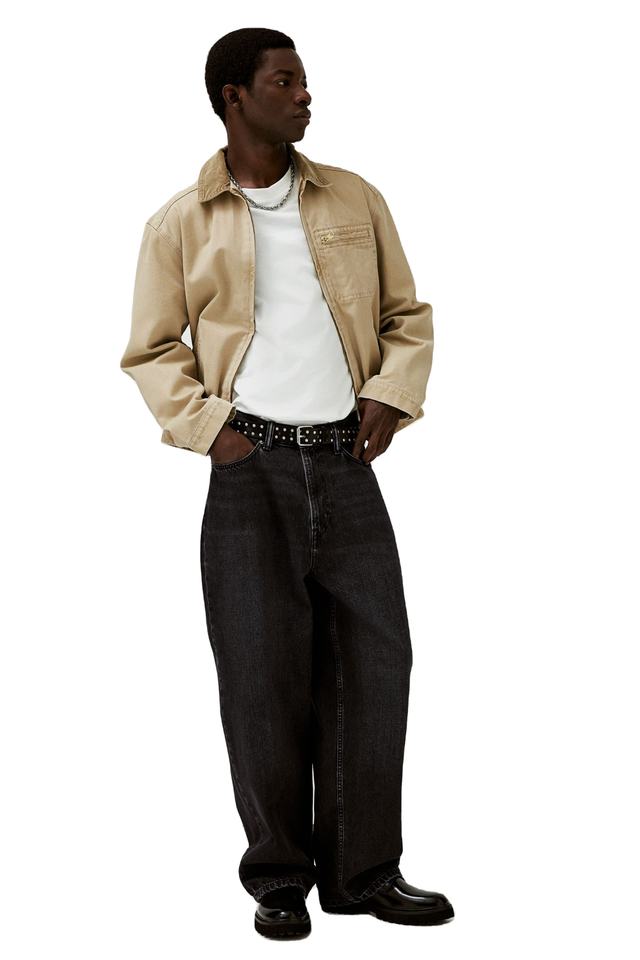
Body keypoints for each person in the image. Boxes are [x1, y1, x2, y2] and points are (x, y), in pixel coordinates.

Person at [120, 26, 454, 940]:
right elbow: (150, 350)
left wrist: (391, 393)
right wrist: (214, 434)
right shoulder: (180, 223)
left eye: (304, 81)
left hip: (347, 463)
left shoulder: (354, 197)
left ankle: (363, 874)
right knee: (261, 679)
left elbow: (407, 315)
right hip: (250, 472)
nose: (305, 95)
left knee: (375, 666)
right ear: (235, 96)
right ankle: (278, 879)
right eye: (285, 81)